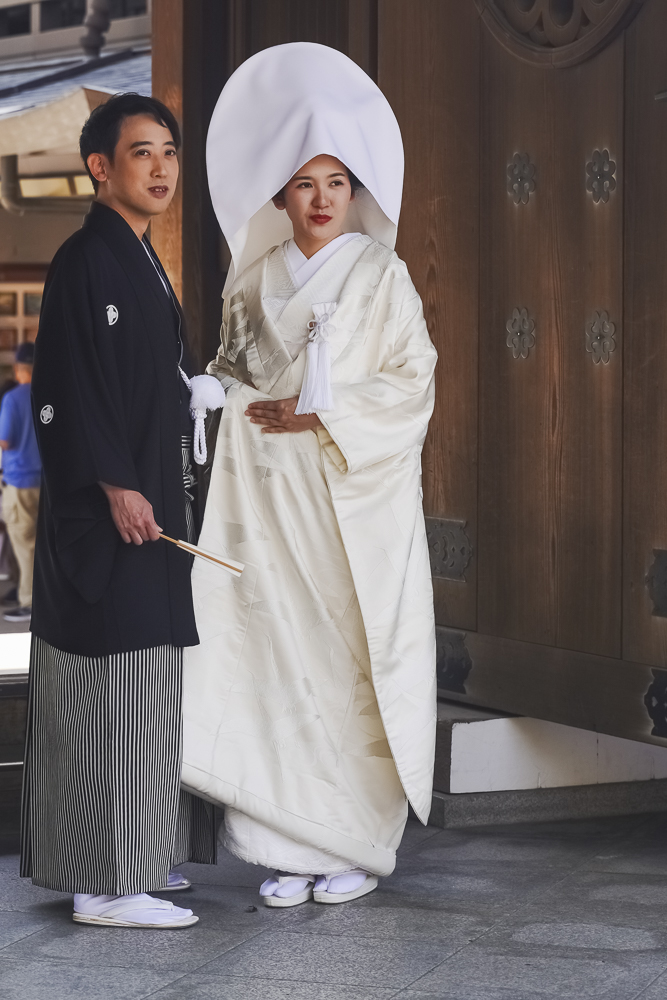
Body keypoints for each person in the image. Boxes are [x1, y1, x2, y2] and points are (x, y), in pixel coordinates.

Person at [182, 43, 438, 907]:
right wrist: (215, 392)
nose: (321, 200)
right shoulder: (254, 278)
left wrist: (321, 412)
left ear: (354, 192)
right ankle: (282, 848)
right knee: (270, 655)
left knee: (344, 661)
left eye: (335, 183)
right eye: (303, 184)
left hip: (346, 502)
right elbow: (232, 368)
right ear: (280, 195)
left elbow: (412, 382)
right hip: (266, 501)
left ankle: (353, 846)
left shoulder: (382, 276)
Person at [21, 93, 217, 929]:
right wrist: (112, 483)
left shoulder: (140, 258)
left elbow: (141, 380)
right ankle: (104, 884)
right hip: (109, 514)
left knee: (146, 684)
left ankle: (131, 855)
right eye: (143, 152)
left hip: (147, 503)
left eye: (169, 152)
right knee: (109, 688)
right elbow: (63, 388)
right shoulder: (84, 258)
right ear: (101, 167)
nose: (162, 168)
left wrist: (190, 393)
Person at [0, 343, 41, 622]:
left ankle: (29, 602)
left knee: (24, 544)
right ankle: (24, 590)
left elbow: (6, 440)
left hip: (19, 480)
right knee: (38, 543)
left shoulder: (13, 399)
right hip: (44, 482)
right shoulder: (48, 394)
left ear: (18, 369)